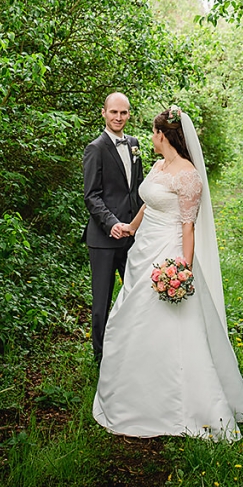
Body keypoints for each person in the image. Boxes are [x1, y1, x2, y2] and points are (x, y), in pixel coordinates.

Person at [93, 105, 243, 440]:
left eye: (154, 133)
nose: (150, 138)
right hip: (143, 251)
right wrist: (129, 228)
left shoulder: (188, 176)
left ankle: (181, 402)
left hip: (168, 254)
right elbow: (147, 203)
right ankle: (132, 389)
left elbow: (188, 227)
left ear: (164, 135)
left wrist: (182, 267)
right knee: (128, 319)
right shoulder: (158, 166)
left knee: (170, 326)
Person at [82, 92, 144, 361]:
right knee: (101, 302)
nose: (119, 117)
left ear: (129, 114)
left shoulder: (134, 143)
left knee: (137, 294)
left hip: (133, 236)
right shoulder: (95, 148)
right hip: (104, 239)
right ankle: (100, 355)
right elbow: (91, 196)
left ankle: (132, 348)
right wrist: (112, 224)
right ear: (104, 113)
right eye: (114, 112)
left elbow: (139, 189)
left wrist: (140, 225)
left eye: (124, 112)